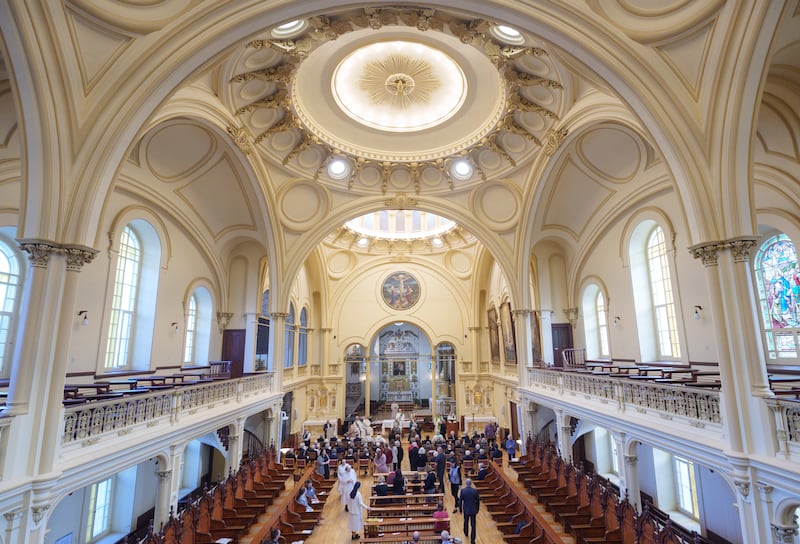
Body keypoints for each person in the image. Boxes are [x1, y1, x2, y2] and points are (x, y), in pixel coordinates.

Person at [459, 479, 480, 544]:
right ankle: (472, 540)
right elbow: (478, 501)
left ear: (466, 483)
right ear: (471, 484)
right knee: (473, 525)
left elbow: (460, 501)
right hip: (473, 510)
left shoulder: (463, 491)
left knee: (466, 521)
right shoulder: (475, 491)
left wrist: (460, 509)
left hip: (466, 509)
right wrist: (477, 509)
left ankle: (466, 532)